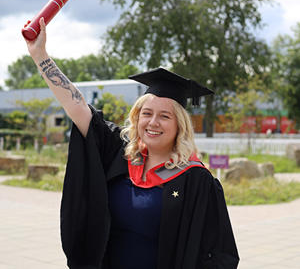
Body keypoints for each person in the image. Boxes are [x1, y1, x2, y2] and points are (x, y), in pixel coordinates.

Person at [24, 17, 239, 269]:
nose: (153, 122)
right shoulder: (119, 152)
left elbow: (222, 255)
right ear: (137, 118)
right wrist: (40, 55)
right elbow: (77, 105)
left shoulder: (196, 180)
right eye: (146, 114)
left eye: (165, 116)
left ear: (180, 124)